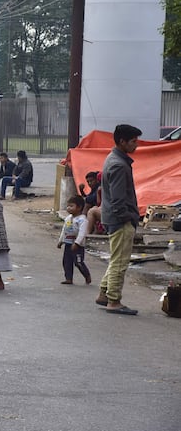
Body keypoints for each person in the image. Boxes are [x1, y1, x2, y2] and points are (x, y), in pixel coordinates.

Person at [96, 124, 142, 315]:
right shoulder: (118, 165)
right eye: (133, 141)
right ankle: (114, 301)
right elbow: (117, 200)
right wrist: (129, 218)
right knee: (120, 262)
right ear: (122, 142)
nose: (136, 145)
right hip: (120, 220)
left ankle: (104, 294)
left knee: (116, 258)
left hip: (114, 218)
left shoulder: (114, 159)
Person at [57, 195, 91, 285]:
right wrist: (61, 241)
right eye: (68, 206)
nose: (69, 208)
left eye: (71, 206)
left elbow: (82, 233)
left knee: (78, 262)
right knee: (66, 262)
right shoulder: (68, 218)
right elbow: (64, 230)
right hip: (68, 244)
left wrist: (77, 243)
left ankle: (86, 275)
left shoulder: (82, 220)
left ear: (79, 207)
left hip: (78, 246)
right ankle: (68, 278)